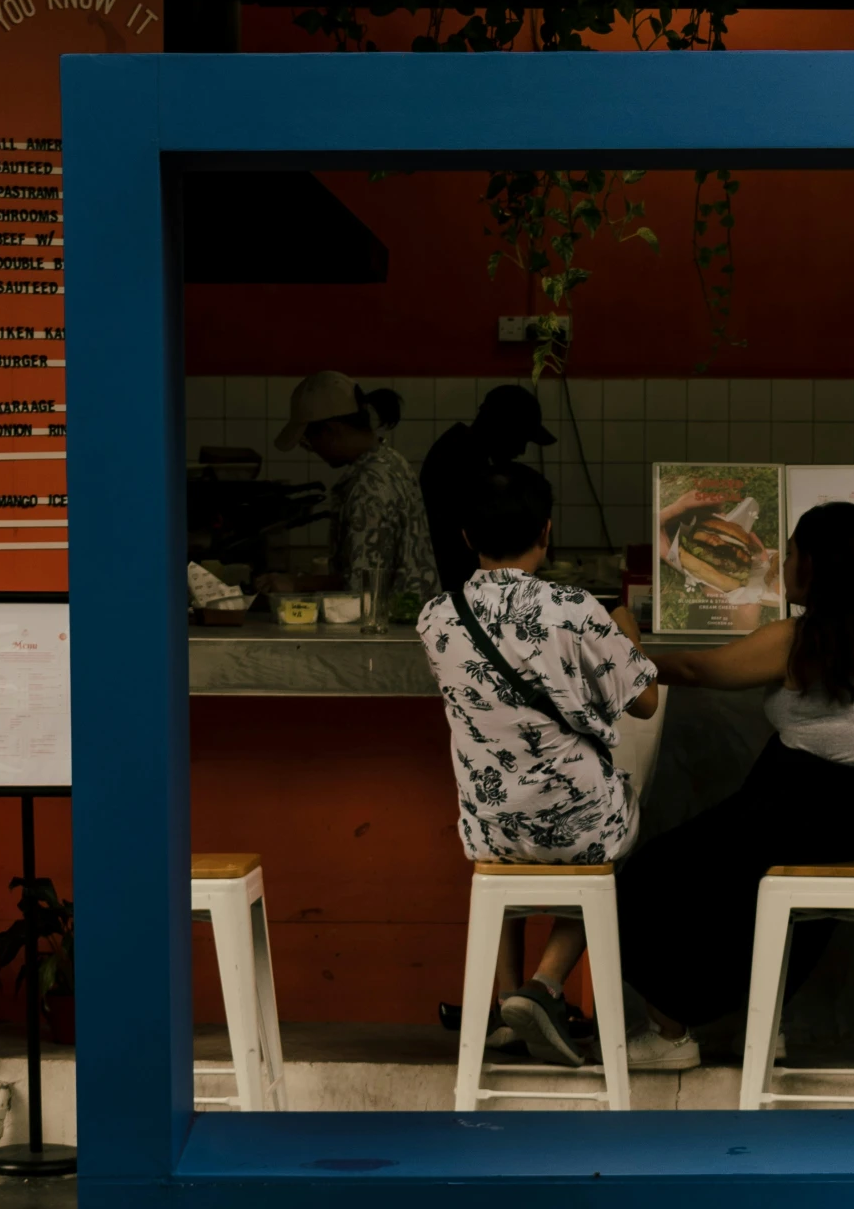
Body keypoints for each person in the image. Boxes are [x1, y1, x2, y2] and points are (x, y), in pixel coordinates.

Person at [617, 502, 854, 1057]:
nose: (783, 562)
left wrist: (623, 644)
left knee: (648, 878)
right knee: (753, 897)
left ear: (818, 566)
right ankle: (762, 1022)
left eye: (794, 553)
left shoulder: (800, 638)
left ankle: (672, 1033)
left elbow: (698, 670)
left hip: (809, 804)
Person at [417, 460, 664, 1069]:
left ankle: (505, 1001)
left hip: (489, 828)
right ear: (547, 532)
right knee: (619, 839)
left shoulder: (435, 618)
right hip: (580, 822)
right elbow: (646, 702)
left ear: (467, 538)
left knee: (508, 861)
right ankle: (545, 985)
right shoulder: (575, 609)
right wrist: (626, 634)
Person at [274, 371, 438, 606]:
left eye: (309, 441)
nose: (314, 450)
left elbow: (362, 588)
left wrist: (296, 584)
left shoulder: (369, 487)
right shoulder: (391, 461)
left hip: (390, 628)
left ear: (332, 430)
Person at [421, 383, 558, 595]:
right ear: (503, 428)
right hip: (455, 587)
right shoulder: (461, 460)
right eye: (521, 439)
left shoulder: (463, 450)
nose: (521, 450)